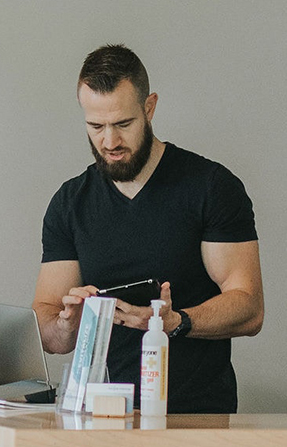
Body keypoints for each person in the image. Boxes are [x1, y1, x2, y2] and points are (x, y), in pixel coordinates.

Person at [32, 44, 264, 414]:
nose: (109, 142)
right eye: (96, 126)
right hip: (102, 416)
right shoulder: (70, 203)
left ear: (149, 108)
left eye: (123, 124)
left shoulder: (211, 187)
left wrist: (175, 321)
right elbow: (48, 332)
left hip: (196, 418)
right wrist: (66, 325)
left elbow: (249, 307)